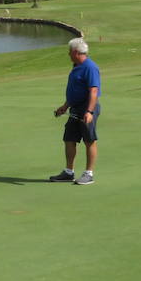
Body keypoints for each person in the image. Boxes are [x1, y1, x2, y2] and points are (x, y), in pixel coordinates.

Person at [49, 37, 101, 185]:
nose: (68, 54)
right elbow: (75, 90)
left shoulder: (90, 67)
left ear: (76, 52)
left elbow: (93, 91)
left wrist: (89, 112)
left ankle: (88, 174)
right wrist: (65, 106)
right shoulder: (76, 66)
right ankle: (68, 172)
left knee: (89, 140)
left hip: (87, 108)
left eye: (70, 51)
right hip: (75, 107)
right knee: (69, 138)